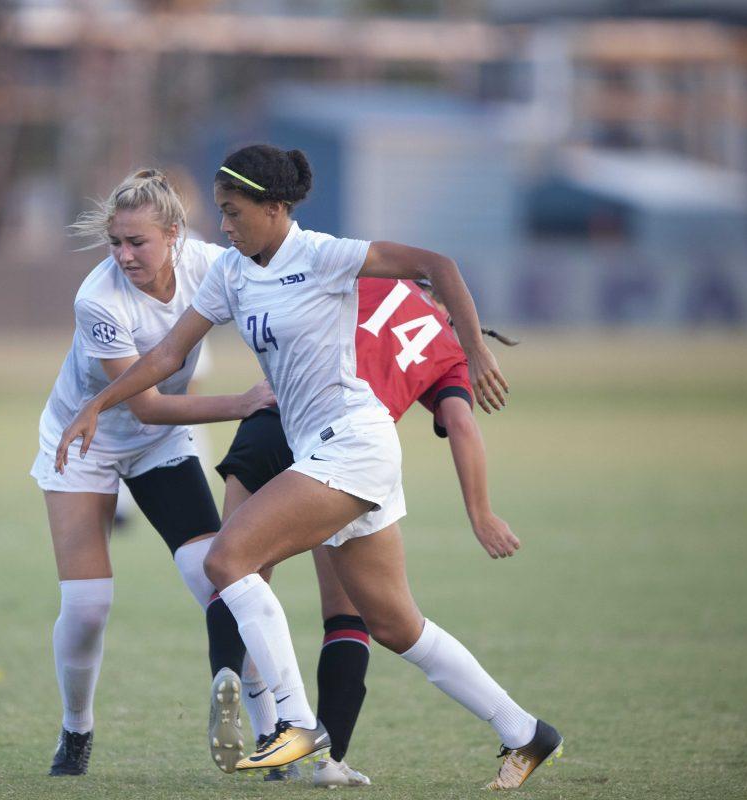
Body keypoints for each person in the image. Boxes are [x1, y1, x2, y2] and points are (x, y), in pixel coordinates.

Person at [55, 145, 562, 790]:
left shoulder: (323, 254)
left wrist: (473, 349)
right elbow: (164, 357)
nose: (226, 227)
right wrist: (98, 404)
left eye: (235, 213)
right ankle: (525, 732)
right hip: (322, 449)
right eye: (220, 213)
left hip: (353, 443)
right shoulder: (232, 272)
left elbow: (438, 265)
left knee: (225, 560)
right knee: (396, 625)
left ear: (275, 209)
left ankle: (293, 725)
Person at [216, 277, 523, 787]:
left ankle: (274, 723)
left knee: (238, 582)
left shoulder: (378, 278)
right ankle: (319, 753)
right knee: (366, 617)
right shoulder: (448, 349)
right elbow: (462, 425)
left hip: (280, 425)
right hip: (351, 452)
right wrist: (481, 513)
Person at [30, 169, 274, 776]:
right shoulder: (97, 300)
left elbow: (287, 275)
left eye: (137, 242)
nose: (124, 255)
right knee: (87, 607)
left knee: (223, 583)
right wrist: (242, 404)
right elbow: (145, 403)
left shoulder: (211, 264)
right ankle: (76, 728)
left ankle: (275, 732)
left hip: (160, 445)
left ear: (174, 234)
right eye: (115, 242)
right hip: (84, 442)